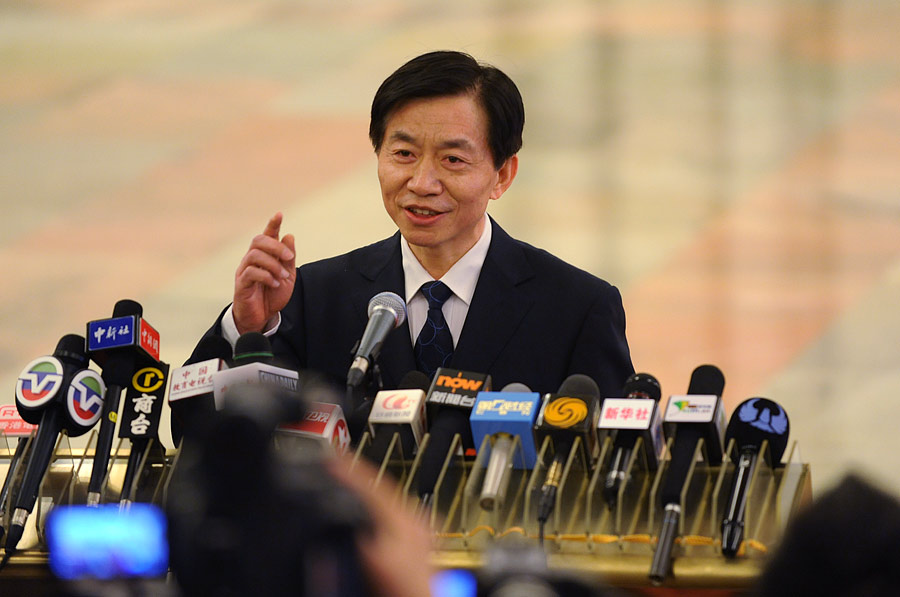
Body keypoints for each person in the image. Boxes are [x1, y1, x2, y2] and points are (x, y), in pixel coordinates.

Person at [194, 50, 633, 401]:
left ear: (502, 175)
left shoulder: (576, 308)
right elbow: (204, 436)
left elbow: (620, 461)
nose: (422, 183)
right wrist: (247, 328)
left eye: (453, 160)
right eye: (403, 154)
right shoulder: (311, 298)